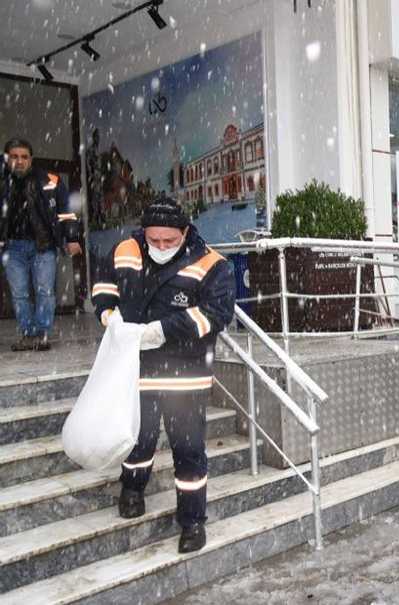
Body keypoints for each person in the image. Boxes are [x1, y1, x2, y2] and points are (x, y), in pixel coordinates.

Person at [91, 197, 235, 553]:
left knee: (188, 450)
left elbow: (216, 314)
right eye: (154, 240)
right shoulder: (126, 248)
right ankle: (132, 489)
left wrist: (161, 331)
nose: (160, 247)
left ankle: (192, 522)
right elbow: (103, 286)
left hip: (184, 376)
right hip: (135, 370)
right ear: (144, 232)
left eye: (169, 241)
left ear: (185, 232)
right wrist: (107, 315)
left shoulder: (212, 264)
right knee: (138, 439)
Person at [0, 138, 83, 351]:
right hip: (12, 248)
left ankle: (42, 333)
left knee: (45, 291)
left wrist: (72, 238)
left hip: (43, 246)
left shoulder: (50, 180)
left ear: (31, 159)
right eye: (14, 156)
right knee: (19, 293)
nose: (19, 161)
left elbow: (66, 212)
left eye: (24, 157)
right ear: (6, 158)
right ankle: (28, 335)